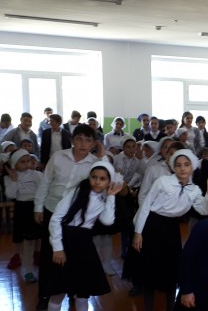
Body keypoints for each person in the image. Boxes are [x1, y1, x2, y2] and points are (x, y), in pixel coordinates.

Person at [129, 149, 208, 311]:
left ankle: (170, 307)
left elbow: (205, 210)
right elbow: (146, 205)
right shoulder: (163, 181)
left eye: (186, 164)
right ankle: (149, 307)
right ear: (173, 167)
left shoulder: (194, 190)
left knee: (171, 269)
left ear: (192, 167)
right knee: (150, 268)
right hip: (152, 225)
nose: (182, 168)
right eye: (178, 165)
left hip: (171, 229)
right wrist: (138, 232)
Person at [34, 124, 102, 310]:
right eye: (79, 139)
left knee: (74, 258)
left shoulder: (95, 163)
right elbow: (45, 182)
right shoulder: (58, 157)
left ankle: (73, 292)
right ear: (72, 140)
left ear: (93, 144)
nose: (83, 144)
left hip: (75, 218)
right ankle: (46, 294)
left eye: (88, 140)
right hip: (51, 209)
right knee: (50, 257)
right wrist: (38, 207)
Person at [45, 161, 122, 311]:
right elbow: (56, 219)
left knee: (83, 291)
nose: (97, 182)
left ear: (109, 182)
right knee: (59, 290)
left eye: (102, 179)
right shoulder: (77, 192)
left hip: (84, 244)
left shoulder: (105, 198)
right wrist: (58, 248)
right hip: (66, 240)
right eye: (94, 177)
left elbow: (107, 221)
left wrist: (111, 197)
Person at [3, 149, 42, 282]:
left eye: (28, 161)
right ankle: (28, 271)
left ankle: (39, 263)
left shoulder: (36, 175)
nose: (27, 164)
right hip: (22, 210)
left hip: (36, 208)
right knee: (27, 243)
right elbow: (11, 194)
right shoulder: (9, 177)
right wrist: (14, 180)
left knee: (39, 239)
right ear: (14, 164)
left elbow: (43, 189)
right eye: (22, 162)